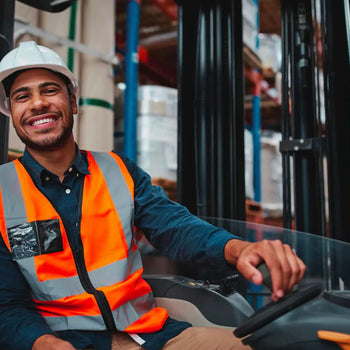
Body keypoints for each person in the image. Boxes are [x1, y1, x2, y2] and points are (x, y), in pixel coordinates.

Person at [0, 41, 305, 350]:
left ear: (73, 101)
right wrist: (41, 343)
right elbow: (6, 305)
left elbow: (176, 227)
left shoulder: (118, 170)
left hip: (151, 336)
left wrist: (238, 249)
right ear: (11, 111)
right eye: (22, 96)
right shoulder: (2, 192)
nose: (37, 103)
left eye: (50, 90)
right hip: (66, 343)